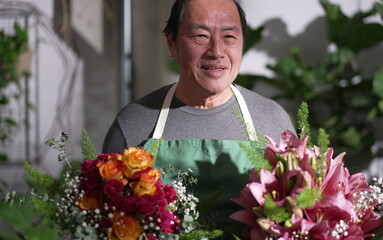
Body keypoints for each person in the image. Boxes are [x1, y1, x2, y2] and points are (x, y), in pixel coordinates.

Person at [103, 0, 296, 235]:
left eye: (229, 37)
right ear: (172, 43)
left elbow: (295, 221)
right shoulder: (134, 122)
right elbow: (104, 224)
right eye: (200, 36)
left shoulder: (273, 121)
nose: (216, 51)